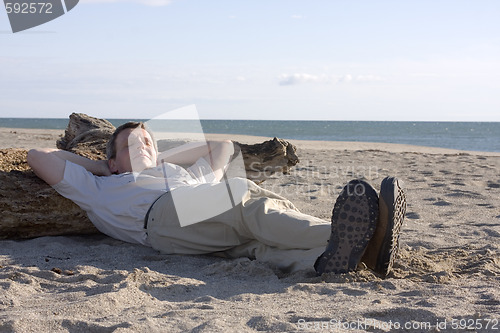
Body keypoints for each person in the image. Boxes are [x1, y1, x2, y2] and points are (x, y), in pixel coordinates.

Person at [27, 121, 406, 276]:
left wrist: (160, 156)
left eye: (149, 139)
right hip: (159, 218)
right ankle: (348, 235)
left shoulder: (176, 172)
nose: (143, 142)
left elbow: (221, 147)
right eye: (131, 140)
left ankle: (343, 257)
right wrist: (102, 167)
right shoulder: (102, 187)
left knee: (256, 246)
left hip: (186, 219)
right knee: (241, 197)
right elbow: (38, 156)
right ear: (112, 158)